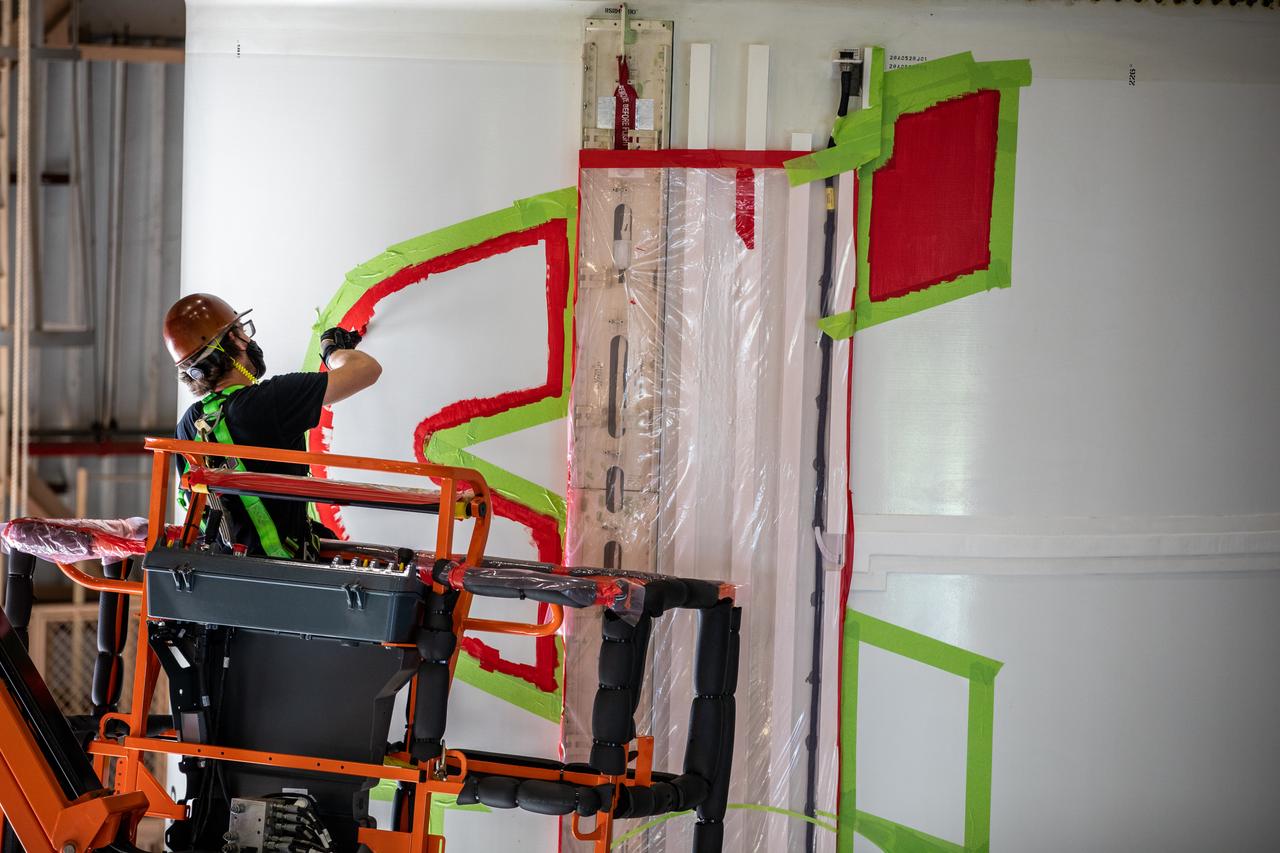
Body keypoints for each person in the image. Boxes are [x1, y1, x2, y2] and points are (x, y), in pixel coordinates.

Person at [163, 293, 381, 558]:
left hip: (220, 569)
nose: (250, 338)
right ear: (236, 340)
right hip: (280, 571)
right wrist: (332, 350)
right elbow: (366, 369)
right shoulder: (270, 401)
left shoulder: (187, 425)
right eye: (243, 331)